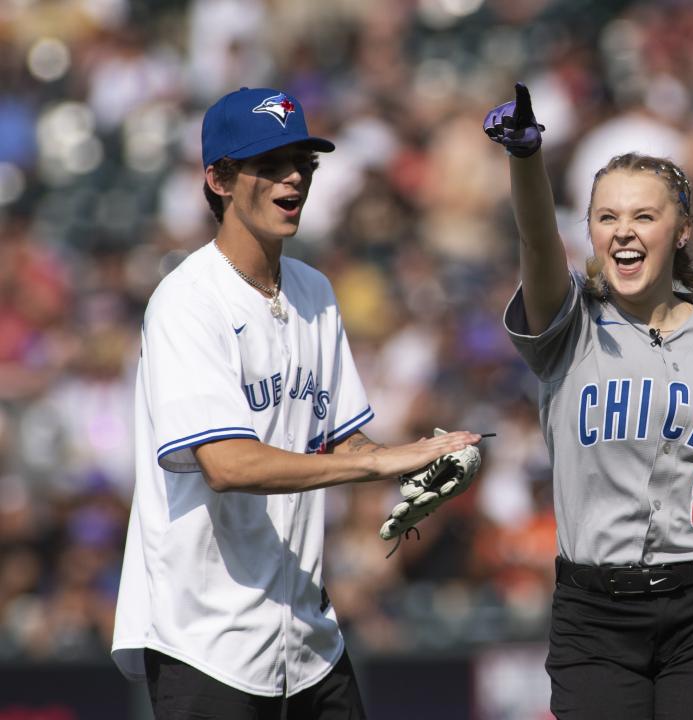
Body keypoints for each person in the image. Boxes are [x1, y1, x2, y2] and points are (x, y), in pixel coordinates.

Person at [111, 86, 481, 719]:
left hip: (307, 637)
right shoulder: (185, 301)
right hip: (206, 642)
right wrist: (378, 464)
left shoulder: (315, 290)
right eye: (270, 163)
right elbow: (228, 466)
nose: (293, 178)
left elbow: (343, 440)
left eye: (303, 163)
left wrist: (422, 462)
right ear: (219, 178)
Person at [483, 84, 693, 719]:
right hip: (595, 612)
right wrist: (525, 161)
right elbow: (536, 245)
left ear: (682, 227)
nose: (623, 232)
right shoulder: (568, 326)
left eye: (643, 216)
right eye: (606, 217)